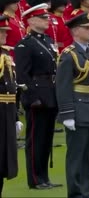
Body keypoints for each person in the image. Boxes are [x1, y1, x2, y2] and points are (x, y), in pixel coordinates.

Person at [14, 0, 61, 190]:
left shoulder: (48, 41)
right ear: (31, 20)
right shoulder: (25, 44)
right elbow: (23, 75)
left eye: (46, 17)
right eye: (42, 18)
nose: (47, 20)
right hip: (37, 95)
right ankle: (35, 178)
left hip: (50, 92)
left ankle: (44, 176)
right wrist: (31, 98)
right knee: (35, 139)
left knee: (46, 138)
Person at [56, 12, 89, 198]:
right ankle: (75, 193)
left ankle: (85, 190)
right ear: (76, 31)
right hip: (78, 109)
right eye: (87, 28)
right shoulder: (69, 55)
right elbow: (63, 86)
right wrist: (67, 114)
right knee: (76, 156)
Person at [0, 15, 22, 196]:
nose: (5, 35)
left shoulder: (5, 55)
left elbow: (10, 90)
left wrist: (15, 117)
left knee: (3, 162)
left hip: (6, 114)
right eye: (1, 32)